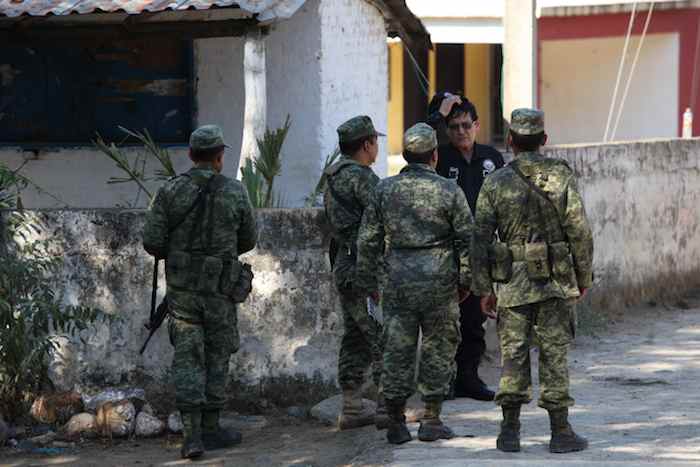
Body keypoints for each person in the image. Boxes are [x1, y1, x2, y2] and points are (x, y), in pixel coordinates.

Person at [471, 108, 593, 454]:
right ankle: (560, 431)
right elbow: (579, 231)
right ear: (543, 141)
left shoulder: (494, 182)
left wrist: (483, 288)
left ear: (510, 141)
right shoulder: (560, 175)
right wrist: (583, 276)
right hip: (554, 281)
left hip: (511, 283)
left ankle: (509, 431)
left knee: (513, 355)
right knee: (554, 354)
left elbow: (479, 238)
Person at [143, 125, 257, 459]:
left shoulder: (170, 192)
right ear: (220, 157)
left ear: (192, 156)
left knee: (189, 359)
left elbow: (152, 241)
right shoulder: (235, 192)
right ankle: (212, 428)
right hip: (220, 291)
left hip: (183, 294)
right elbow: (248, 239)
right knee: (218, 355)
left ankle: (192, 436)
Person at [356, 123, 473, 444]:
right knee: (438, 348)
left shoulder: (384, 190)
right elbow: (467, 239)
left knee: (397, 349)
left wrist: (368, 282)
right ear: (435, 155)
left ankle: (395, 421)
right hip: (439, 280)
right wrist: (466, 281)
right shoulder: (450, 190)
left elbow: (368, 241)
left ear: (405, 156)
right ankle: (432, 419)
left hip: (397, 280)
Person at [427, 92, 504, 401]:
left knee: (475, 320)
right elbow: (415, 141)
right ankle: (443, 381)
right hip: (446, 251)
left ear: (477, 125)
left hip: (481, 251)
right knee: (444, 321)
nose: (461, 131)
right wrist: (438, 113)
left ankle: (469, 378)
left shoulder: (492, 157)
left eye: (466, 125)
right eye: (454, 126)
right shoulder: (439, 157)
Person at [323, 115, 387, 430]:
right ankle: (390, 407)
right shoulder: (362, 178)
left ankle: (351, 406)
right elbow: (383, 221)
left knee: (355, 336)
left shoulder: (333, 176)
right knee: (381, 335)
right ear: (366, 144)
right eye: (376, 141)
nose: (377, 147)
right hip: (365, 268)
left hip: (344, 265)